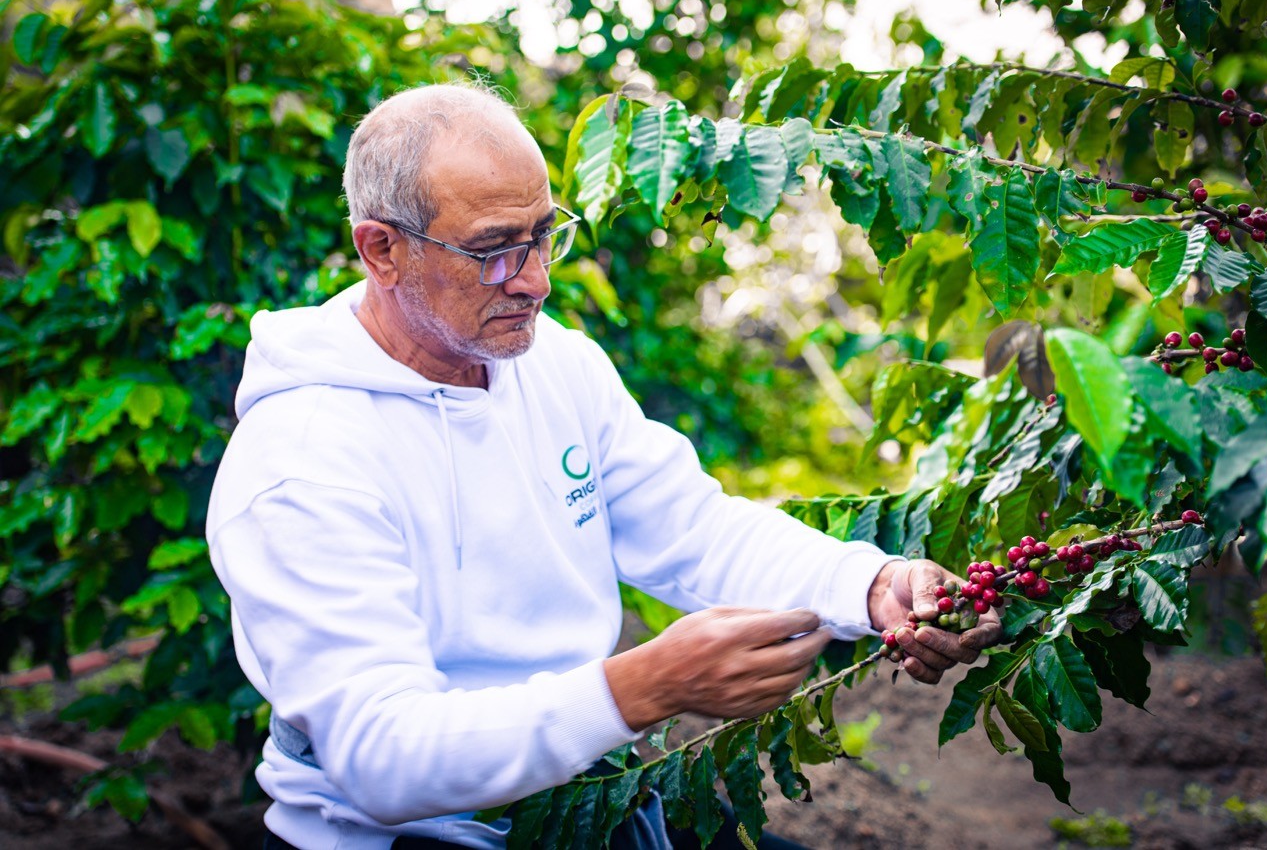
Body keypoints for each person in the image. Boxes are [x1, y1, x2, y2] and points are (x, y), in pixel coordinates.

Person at [206, 82, 1000, 850]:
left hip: (590, 801)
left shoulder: (552, 363)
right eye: (492, 251)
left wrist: (867, 586)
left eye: (544, 234)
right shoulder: (303, 463)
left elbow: (693, 529)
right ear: (382, 249)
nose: (535, 280)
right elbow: (387, 757)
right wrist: (642, 688)